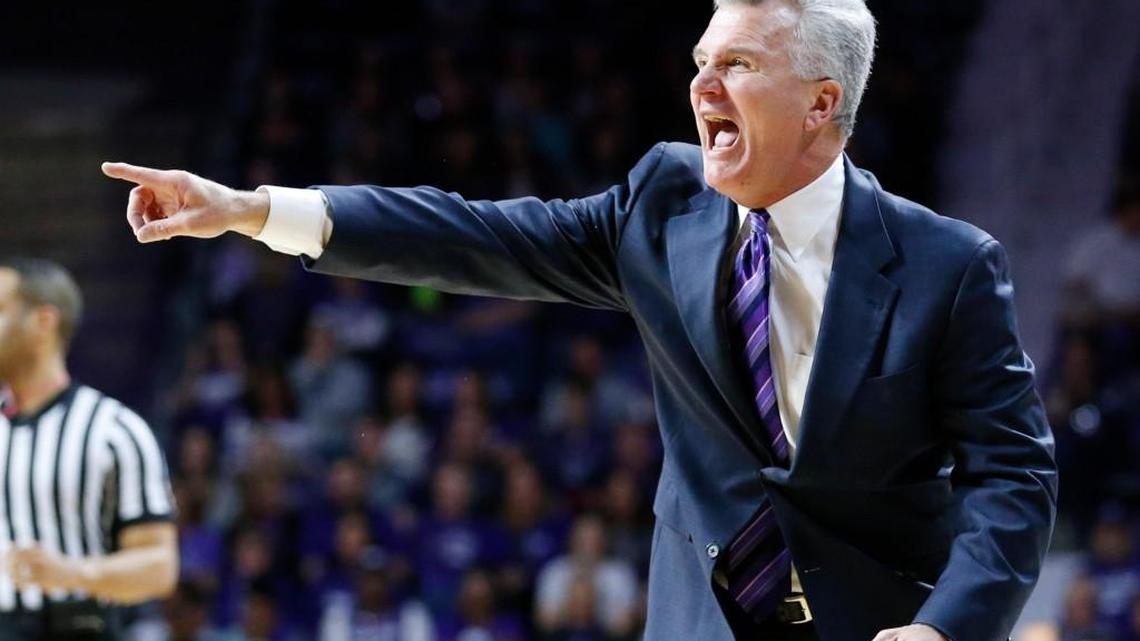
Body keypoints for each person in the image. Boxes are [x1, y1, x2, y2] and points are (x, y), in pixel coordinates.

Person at [100, 0, 1057, 639]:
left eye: (737, 64)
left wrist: (946, 626)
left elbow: (1013, 473)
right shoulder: (663, 201)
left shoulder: (948, 265)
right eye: (700, 61)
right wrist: (251, 208)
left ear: (821, 103)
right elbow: (473, 236)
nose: (703, 87)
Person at [0, 258, 178, 639]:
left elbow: (160, 566)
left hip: (77, 626)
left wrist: (72, 572)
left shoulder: (114, 430)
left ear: (43, 322)